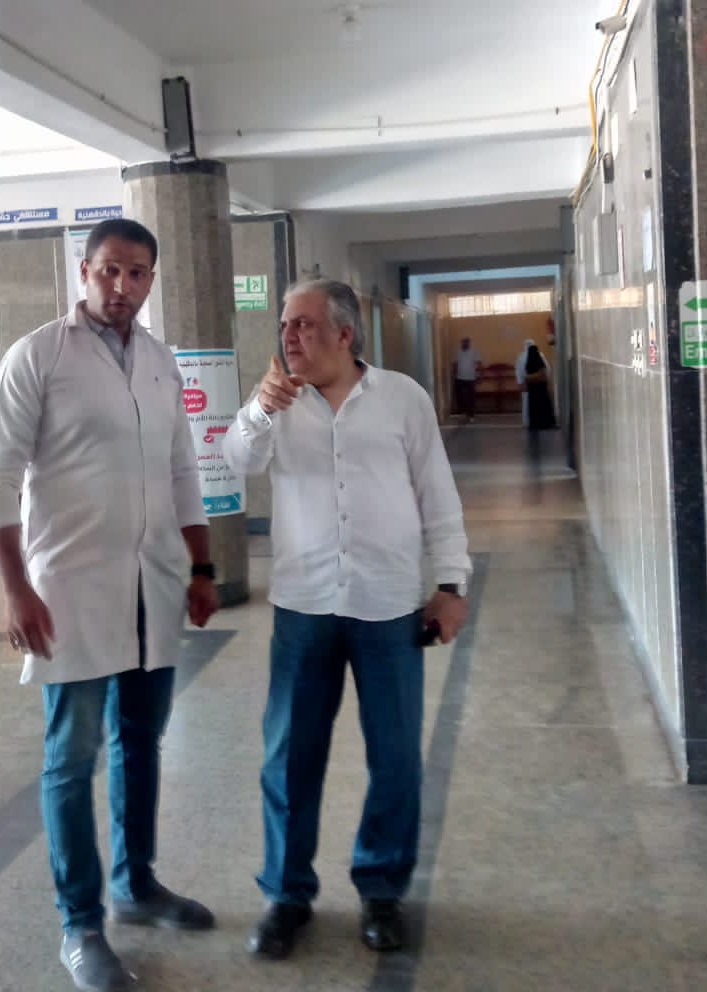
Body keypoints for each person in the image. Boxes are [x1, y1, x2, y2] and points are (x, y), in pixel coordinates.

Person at [0, 217, 221, 992]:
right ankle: (80, 925)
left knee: (141, 740)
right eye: (110, 270)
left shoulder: (158, 360)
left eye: (138, 272)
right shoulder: (39, 355)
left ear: (151, 279)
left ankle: (136, 884)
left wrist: (202, 566)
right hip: (70, 587)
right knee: (72, 758)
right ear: (84, 271)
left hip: (155, 581)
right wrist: (15, 587)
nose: (123, 286)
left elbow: (182, 469)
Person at [223, 279, 471, 961]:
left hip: (387, 604)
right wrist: (259, 410)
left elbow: (437, 494)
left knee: (395, 756)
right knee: (289, 756)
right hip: (303, 607)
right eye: (285, 325)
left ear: (344, 332)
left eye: (303, 324)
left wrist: (451, 583)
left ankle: (382, 889)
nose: (289, 336)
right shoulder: (275, 402)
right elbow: (236, 460)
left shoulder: (401, 398)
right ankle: (286, 895)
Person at [521, 342, 556, 431]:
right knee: (539, 406)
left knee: (537, 406)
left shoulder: (536, 361)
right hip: (537, 389)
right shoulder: (538, 360)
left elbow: (542, 374)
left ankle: (540, 424)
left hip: (537, 389)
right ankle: (540, 424)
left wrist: (528, 378)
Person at [453, 336, 480, 422]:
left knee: (471, 397)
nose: (464, 344)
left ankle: (471, 414)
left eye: (466, 342)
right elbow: (455, 364)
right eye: (463, 342)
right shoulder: (458, 353)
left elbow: (479, 364)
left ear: (469, 343)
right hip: (459, 378)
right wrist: (454, 375)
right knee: (460, 397)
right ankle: (463, 412)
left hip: (470, 378)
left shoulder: (474, 352)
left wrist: (479, 376)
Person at [514, 338, 537, 424]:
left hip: (534, 382)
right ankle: (527, 421)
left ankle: (531, 421)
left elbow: (545, 369)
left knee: (532, 402)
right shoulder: (521, 356)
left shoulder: (539, 355)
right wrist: (520, 383)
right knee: (526, 401)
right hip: (527, 382)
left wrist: (520, 383)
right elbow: (518, 371)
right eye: (527, 344)